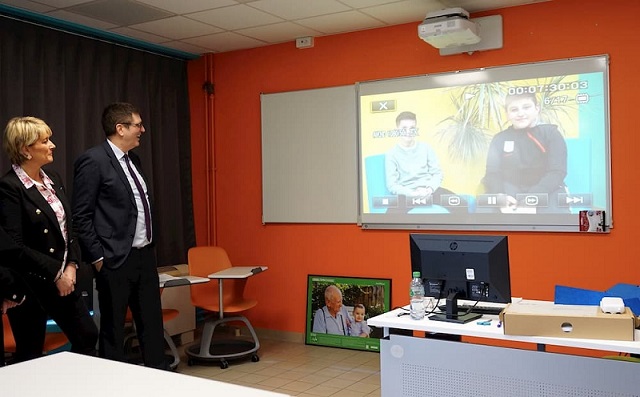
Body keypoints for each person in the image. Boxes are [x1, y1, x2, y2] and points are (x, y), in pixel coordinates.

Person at [72, 102, 167, 369]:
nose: (142, 130)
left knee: (152, 325)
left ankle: (159, 382)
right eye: (138, 125)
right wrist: (99, 258)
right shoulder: (94, 160)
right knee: (113, 330)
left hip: (144, 257)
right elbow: (81, 216)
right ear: (120, 128)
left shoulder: (133, 160)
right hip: (115, 260)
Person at [0, 116, 98, 363]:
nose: (52, 145)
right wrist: (57, 273)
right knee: (30, 353)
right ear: (25, 149)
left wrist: (72, 266)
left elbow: (69, 228)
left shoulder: (52, 178)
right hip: (31, 284)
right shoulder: (9, 188)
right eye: (45, 141)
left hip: (65, 278)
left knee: (87, 336)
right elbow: (13, 247)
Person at [482, 92, 568, 213]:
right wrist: (500, 196)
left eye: (526, 107)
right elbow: (492, 173)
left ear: (537, 109)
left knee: (556, 217)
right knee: (484, 210)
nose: (520, 113)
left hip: (547, 189)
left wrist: (533, 198)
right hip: (509, 190)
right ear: (507, 114)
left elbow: (557, 171)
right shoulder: (499, 139)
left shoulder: (551, 133)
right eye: (514, 109)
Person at [385, 111, 460, 212]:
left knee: (462, 204)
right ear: (397, 129)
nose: (408, 132)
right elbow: (392, 185)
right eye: (404, 128)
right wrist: (412, 193)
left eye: (412, 128)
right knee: (390, 214)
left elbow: (437, 173)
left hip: (429, 191)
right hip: (407, 194)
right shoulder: (391, 154)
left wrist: (429, 189)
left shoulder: (426, 148)